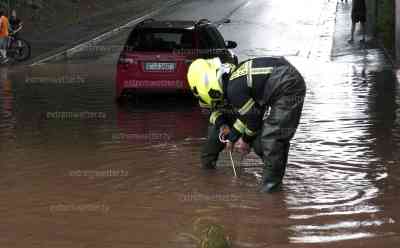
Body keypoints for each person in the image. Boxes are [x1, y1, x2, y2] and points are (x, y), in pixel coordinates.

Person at [187, 57, 306, 193]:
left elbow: (253, 116)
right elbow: (253, 112)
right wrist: (224, 127)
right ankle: (207, 175)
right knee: (273, 138)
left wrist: (243, 140)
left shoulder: (234, 87)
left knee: (271, 138)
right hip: (282, 81)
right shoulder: (218, 87)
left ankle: (270, 192)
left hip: (286, 84)